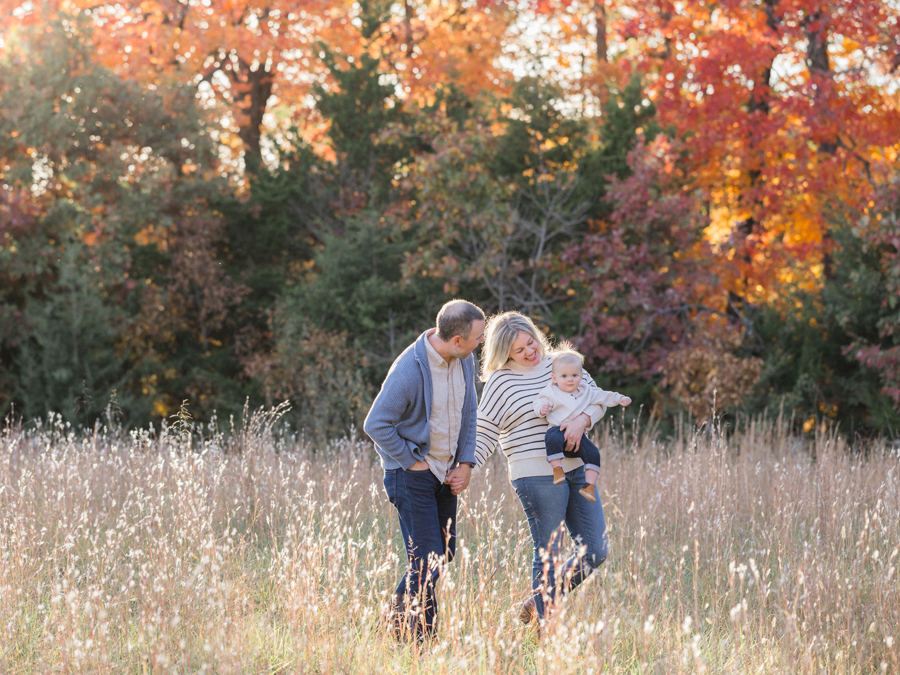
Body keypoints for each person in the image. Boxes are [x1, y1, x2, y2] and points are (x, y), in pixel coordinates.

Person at [472, 311, 611, 626]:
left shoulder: (560, 363)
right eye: (520, 350)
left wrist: (582, 420)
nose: (530, 352)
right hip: (534, 473)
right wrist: (466, 468)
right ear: (505, 352)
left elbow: (596, 400)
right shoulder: (501, 381)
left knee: (596, 550)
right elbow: (484, 431)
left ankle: (536, 604)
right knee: (548, 552)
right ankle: (543, 634)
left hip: (576, 466)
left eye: (531, 342)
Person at [363, 299, 485, 640]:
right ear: (457, 340)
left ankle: (403, 627)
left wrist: (466, 462)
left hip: (446, 473)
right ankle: (415, 637)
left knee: (441, 554)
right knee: (427, 557)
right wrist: (413, 463)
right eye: (477, 337)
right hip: (411, 475)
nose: (481, 342)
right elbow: (376, 424)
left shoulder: (464, 359)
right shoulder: (410, 369)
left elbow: (469, 413)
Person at [533, 345, 631, 502]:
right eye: (564, 376)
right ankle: (557, 469)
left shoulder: (587, 391)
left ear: (581, 376)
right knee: (551, 437)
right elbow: (539, 403)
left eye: (574, 375)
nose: (570, 379)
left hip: (579, 438)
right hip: (558, 431)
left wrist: (619, 398)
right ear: (554, 378)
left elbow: (604, 396)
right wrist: (542, 409)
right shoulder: (551, 391)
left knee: (593, 453)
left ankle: (589, 486)